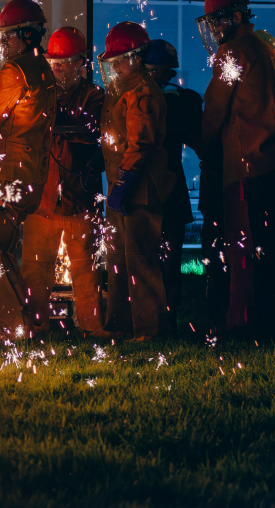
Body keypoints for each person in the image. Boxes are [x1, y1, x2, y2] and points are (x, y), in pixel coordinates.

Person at [0, 0, 58, 338]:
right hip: (31, 174)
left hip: (6, 176)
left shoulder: (14, 71)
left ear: (26, 36)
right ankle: (23, 322)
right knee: (1, 250)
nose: (3, 44)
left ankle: (16, 326)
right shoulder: (43, 69)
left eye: (8, 37)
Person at [198, 0, 275, 335]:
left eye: (219, 23)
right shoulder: (264, 49)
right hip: (270, 164)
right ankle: (270, 318)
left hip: (245, 166)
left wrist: (200, 141)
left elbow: (214, 112)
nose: (216, 31)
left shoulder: (232, 53)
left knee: (243, 250)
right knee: (265, 248)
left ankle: (243, 323)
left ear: (236, 17)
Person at [20, 26, 105, 334]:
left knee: (86, 269)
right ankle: (36, 327)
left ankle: (94, 327)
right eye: (53, 62)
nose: (56, 68)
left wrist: (49, 123)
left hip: (79, 196)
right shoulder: (41, 95)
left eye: (62, 62)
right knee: (35, 268)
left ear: (80, 62)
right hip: (43, 198)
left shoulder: (94, 96)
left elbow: (88, 131)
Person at [94, 22, 175, 341]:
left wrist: (123, 185)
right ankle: (120, 322)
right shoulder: (123, 90)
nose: (113, 65)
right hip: (123, 188)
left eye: (119, 58)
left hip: (140, 190)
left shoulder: (142, 93)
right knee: (117, 259)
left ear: (138, 57)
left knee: (140, 260)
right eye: (111, 60)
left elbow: (139, 144)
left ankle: (150, 328)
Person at [144, 39, 204, 331]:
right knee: (169, 255)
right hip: (171, 187)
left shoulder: (141, 100)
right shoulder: (184, 100)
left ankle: (156, 317)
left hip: (148, 188)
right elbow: (200, 143)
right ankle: (166, 316)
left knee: (152, 256)